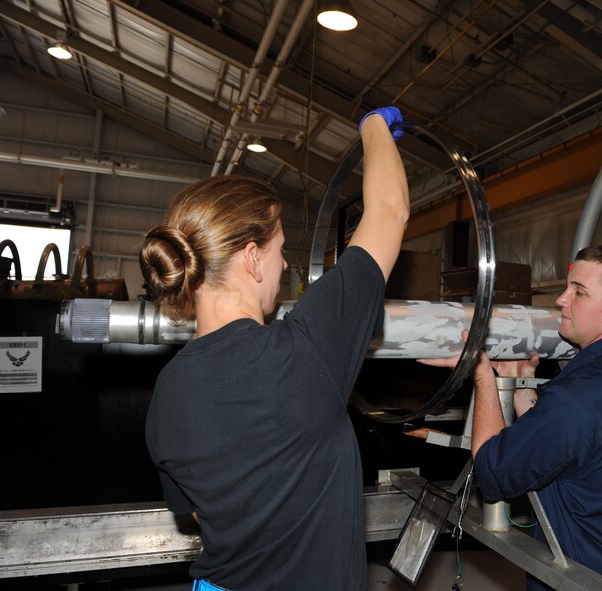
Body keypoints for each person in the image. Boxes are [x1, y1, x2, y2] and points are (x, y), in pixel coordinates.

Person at [139, 106, 409, 591]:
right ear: (252, 258)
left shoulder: (166, 392)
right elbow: (389, 210)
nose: (285, 266)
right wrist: (372, 124)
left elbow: (198, 514)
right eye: (280, 249)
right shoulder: (306, 351)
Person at [423, 241, 602, 590]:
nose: (561, 299)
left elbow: (494, 472)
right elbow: (572, 447)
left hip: (589, 581)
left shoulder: (579, 397)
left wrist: (483, 377)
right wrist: (521, 391)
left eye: (579, 292)